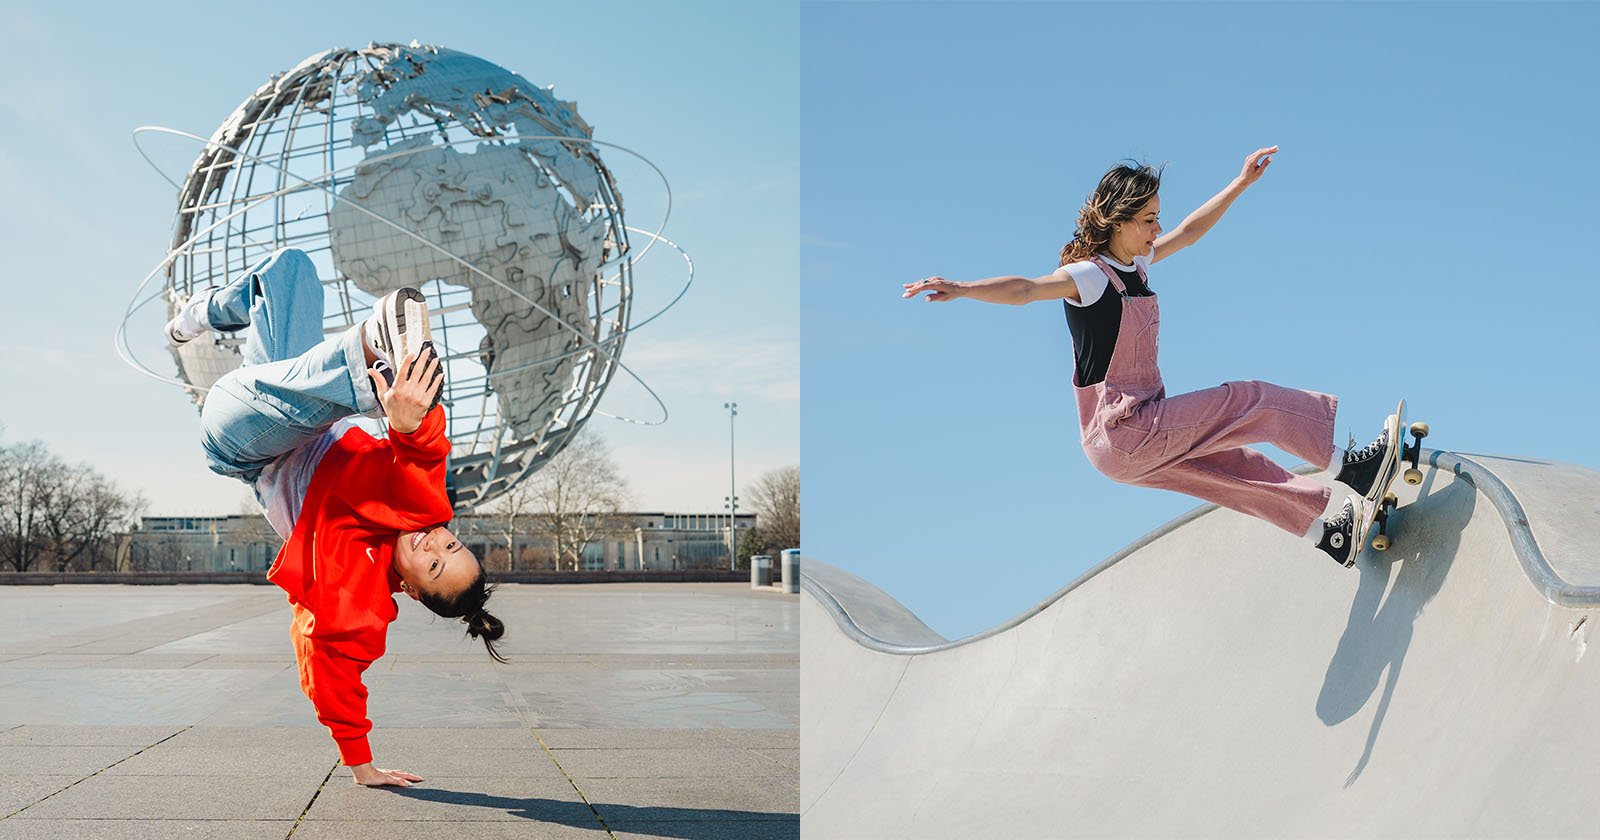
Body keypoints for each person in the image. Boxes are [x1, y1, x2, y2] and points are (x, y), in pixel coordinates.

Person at [901, 147, 1397, 567]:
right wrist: (963, 288)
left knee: (1232, 470)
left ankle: (1329, 534)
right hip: (1128, 429)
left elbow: (1188, 232)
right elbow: (1027, 289)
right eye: (1147, 221)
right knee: (1249, 400)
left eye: (1156, 217)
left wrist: (1240, 183)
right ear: (1117, 221)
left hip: (1120, 447)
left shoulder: (1134, 263)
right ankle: (1354, 469)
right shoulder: (1089, 276)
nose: (1156, 229)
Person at [166, 247, 507, 787]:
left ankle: (373, 354)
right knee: (288, 272)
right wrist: (412, 422)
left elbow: (331, 677)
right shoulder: (422, 508)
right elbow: (424, 455)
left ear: (413, 591)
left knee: (310, 399)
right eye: (451, 546)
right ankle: (200, 315)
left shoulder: (358, 604)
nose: (433, 545)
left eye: (435, 566)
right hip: (289, 393)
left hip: (244, 440)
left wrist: (361, 766)